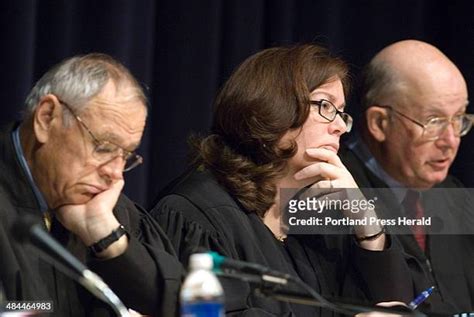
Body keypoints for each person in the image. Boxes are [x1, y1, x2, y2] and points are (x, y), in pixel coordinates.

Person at [151, 44, 414, 316]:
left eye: (341, 113)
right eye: (325, 106)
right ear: (272, 106)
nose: (338, 127)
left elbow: (395, 306)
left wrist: (365, 221)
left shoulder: (322, 217)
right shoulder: (196, 215)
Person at [0, 53, 182, 317]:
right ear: (47, 117)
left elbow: (185, 306)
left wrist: (106, 237)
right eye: (104, 147)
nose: (116, 173)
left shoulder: (107, 208)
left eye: (126, 155)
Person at [340, 39, 474, 313]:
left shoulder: (454, 196)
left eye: (459, 118)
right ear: (379, 123)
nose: (451, 140)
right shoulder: (335, 197)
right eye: (434, 121)